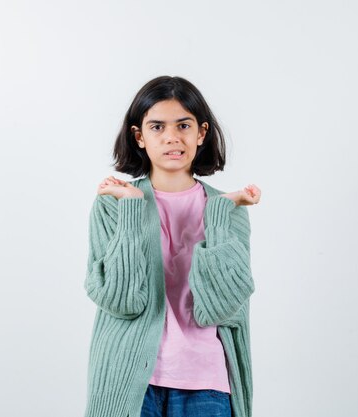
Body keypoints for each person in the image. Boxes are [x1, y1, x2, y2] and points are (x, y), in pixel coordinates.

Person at [83, 75, 261, 417]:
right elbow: (121, 300)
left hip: (207, 382)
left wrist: (221, 212)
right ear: (139, 136)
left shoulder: (230, 209)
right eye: (157, 127)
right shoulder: (113, 204)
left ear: (201, 133)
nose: (171, 138)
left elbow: (222, 308)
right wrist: (132, 207)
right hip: (129, 380)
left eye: (183, 125)